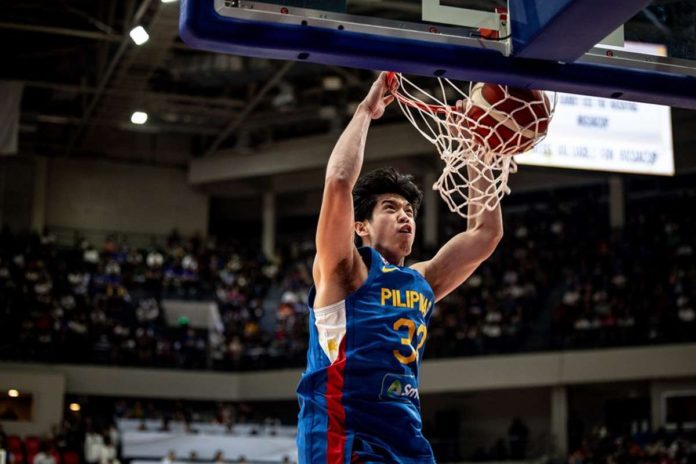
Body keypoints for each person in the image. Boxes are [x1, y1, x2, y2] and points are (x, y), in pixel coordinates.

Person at [296, 72, 504, 463]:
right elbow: (339, 180)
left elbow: (485, 234)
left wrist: (478, 150)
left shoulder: (422, 281)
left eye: (409, 210)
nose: (405, 216)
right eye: (390, 208)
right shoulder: (345, 272)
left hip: (405, 439)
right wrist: (365, 111)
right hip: (344, 436)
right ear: (360, 226)